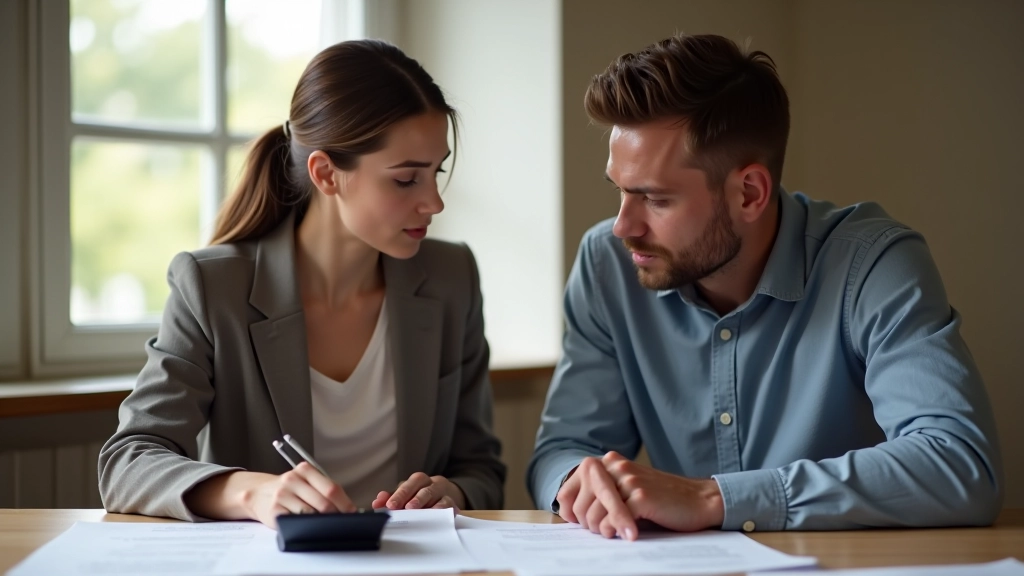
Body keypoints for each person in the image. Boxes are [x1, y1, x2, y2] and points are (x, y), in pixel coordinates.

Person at [527, 33, 1002, 539]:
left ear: (749, 193)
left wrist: (714, 498)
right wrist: (581, 479)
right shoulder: (607, 265)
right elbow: (562, 450)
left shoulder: (872, 265)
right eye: (619, 191)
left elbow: (960, 464)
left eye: (655, 199)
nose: (623, 226)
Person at [99, 40, 505, 527]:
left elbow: (482, 468)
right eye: (405, 180)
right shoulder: (212, 288)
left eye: (436, 173)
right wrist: (252, 493)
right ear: (326, 173)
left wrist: (453, 491)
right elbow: (128, 462)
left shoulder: (451, 278)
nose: (434, 203)